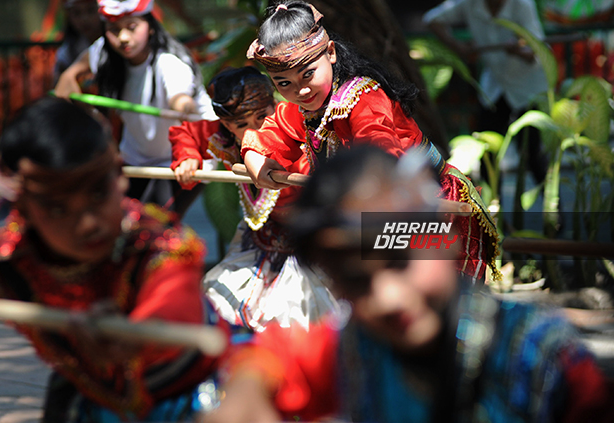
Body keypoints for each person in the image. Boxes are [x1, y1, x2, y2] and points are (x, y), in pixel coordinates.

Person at [205, 145, 613, 423]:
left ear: (443, 238)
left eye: (399, 263)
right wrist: (246, 389)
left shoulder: (550, 361)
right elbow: (275, 354)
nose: (388, 297)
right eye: (357, 282)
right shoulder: (353, 348)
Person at [0, 97, 227, 422]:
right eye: (58, 209)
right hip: (90, 395)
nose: (88, 223)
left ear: (118, 174)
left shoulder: (161, 247)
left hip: (194, 403)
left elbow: (174, 306)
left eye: (98, 193)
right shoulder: (7, 226)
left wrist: (135, 336)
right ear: (25, 206)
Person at [242, 0, 499, 281]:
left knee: (430, 297)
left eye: (308, 74)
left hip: (425, 204)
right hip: (375, 210)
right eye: (284, 83)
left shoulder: (364, 98)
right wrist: (258, 162)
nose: (301, 90)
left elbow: (380, 154)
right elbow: (274, 130)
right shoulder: (306, 107)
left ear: (330, 53)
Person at [169, 67, 340, 332]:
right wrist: (188, 157)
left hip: (311, 236)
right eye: (241, 125)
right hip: (263, 237)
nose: (254, 131)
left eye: (262, 117)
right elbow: (186, 133)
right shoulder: (221, 137)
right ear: (226, 125)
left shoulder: (297, 127)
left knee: (301, 316)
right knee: (221, 301)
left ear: (275, 104)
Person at [54, 0, 216, 214]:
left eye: (131, 28)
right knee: (117, 219)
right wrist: (68, 78)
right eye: (113, 30)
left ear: (150, 25)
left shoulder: (169, 62)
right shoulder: (105, 52)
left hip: (185, 158)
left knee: (155, 224)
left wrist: (184, 106)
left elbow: (179, 97)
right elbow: (80, 65)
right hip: (137, 159)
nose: (123, 38)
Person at [423, 0, 549, 183]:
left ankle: (554, 215)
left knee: (533, 154)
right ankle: (492, 213)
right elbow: (432, 19)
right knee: (488, 154)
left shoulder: (523, 3)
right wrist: (458, 47)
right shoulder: (471, 1)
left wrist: (520, 51)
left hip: (527, 87)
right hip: (495, 86)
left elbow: (536, 52)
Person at [52, 0, 103, 83]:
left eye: (91, 10)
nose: (84, 19)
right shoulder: (67, 52)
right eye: (76, 13)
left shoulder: (115, 43)